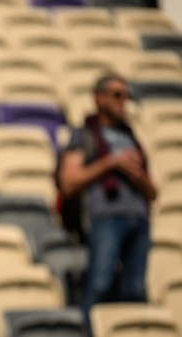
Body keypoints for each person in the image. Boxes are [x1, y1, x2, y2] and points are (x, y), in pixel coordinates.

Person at [58, 74, 157, 325]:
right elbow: (68, 183)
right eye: (116, 94)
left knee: (135, 291)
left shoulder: (132, 137)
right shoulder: (85, 135)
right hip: (105, 219)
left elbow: (153, 192)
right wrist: (111, 163)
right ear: (98, 98)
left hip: (139, 219)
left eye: (126, 96)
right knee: (99, 286)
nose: (123, 101)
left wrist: (137, 176)